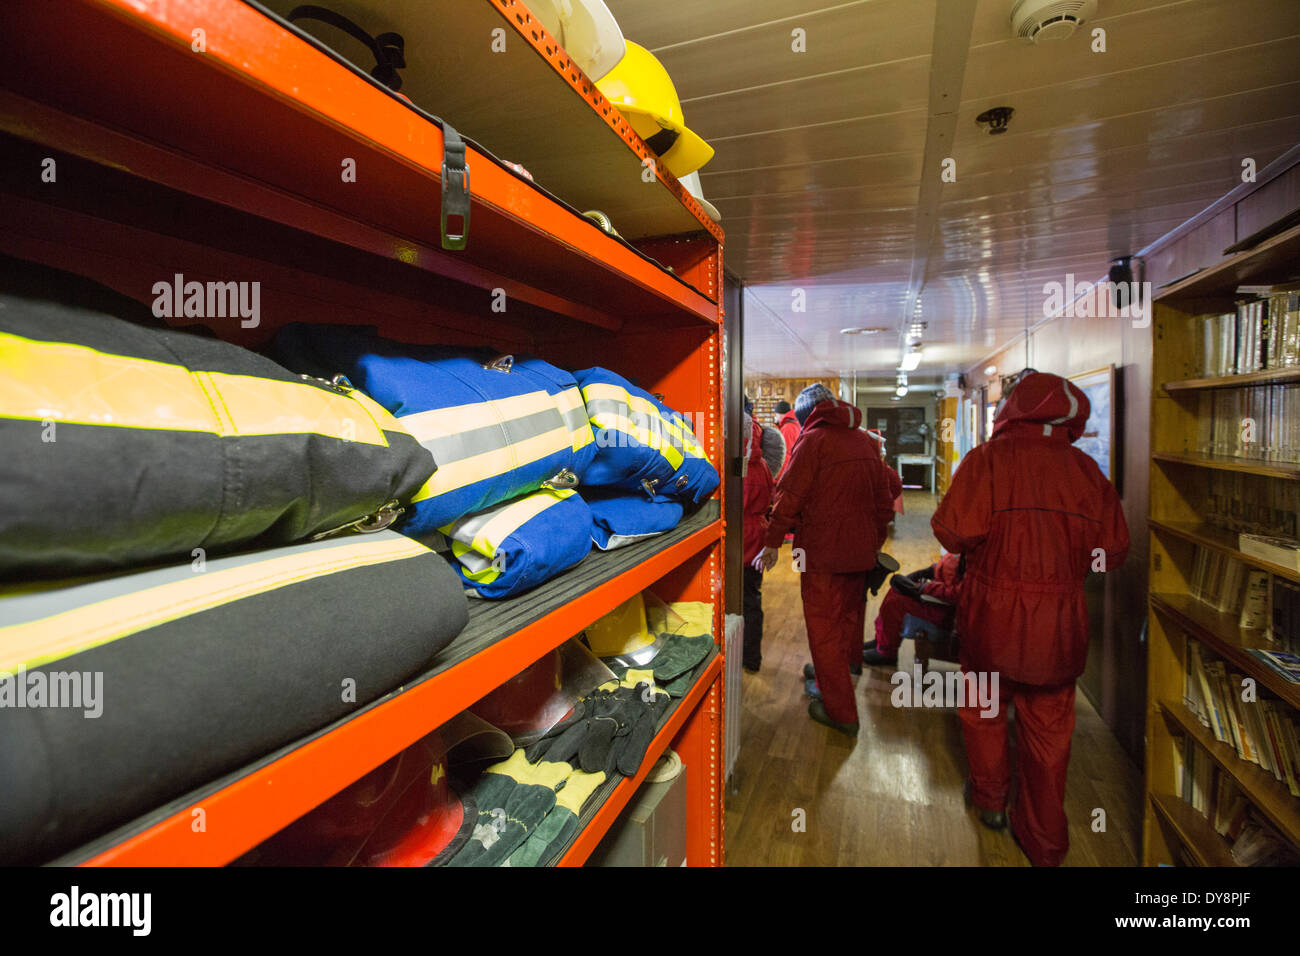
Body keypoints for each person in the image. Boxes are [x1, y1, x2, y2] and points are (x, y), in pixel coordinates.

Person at [931, 370, 1129, 866]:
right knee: (1050, 732)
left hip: (991, 615)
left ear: (1010, 409)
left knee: (984, 711)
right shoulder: (1086, 471)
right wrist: (1068, 566)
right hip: (1061, 624)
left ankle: (991, 800)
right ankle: (1044, 840)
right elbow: (1112, 552)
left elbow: (953, 534)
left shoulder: (987, 462)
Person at [761, 384, 895, 735]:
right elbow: (886, 497)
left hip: (818, 552)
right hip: (860, 551)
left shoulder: (813, 441)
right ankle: (842, 670)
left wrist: (772, 541)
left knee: (823, 627)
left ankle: (840, 710)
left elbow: (789, 496)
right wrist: (874, 540)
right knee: (849, 616)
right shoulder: (866, 442)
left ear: (808, 417)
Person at [741, 399, 783, 673]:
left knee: (735, 604)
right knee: (752, 600)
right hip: (758, 539)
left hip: (738, 541)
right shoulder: (764, 465)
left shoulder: (737, 467)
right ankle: (752, 658)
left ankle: (736, 657)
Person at [862, 551, 961, 666]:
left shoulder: (973, 561)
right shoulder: (964, 550)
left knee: (897, 602)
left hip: (948, 613)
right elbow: (948, 565)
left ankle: (887, 653)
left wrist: (923, 588)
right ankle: (881, 641)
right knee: (895, 590)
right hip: (938, 600)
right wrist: (928, 572)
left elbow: (958, 593)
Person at [774, 400, 799, 479]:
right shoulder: (794, 423)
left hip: (786, 473)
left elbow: (785, 454)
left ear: (780, 414)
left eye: (776, 414)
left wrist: (778, 477)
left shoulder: (787, 428)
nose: (775, 417)